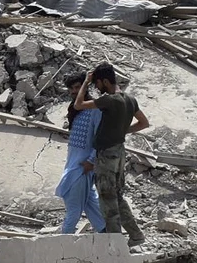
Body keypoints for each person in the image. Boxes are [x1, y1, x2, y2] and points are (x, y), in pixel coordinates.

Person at [73, 62, 148, 247]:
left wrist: (86, 82)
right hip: (120, 152)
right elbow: (143, 123)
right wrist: (121, 131)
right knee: (118, 196)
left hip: (106, 155)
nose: (97, 88)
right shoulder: (130, 99)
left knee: (107, 199)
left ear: (105, 81)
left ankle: (114, 244)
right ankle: (136, 235)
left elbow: (78, 104)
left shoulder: (109, 100)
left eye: (97, 84)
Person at [54, 80, 106, 233]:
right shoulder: (75, 110)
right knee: (94, 207)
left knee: (74, 212)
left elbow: (100, 137)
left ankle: (62, 248)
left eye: (78, 87)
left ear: (85, 89)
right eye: (71, 88)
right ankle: (109, 238)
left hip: (82, 168)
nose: (74, 91)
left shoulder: (95, 109)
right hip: (75, 167)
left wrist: (91, 161)